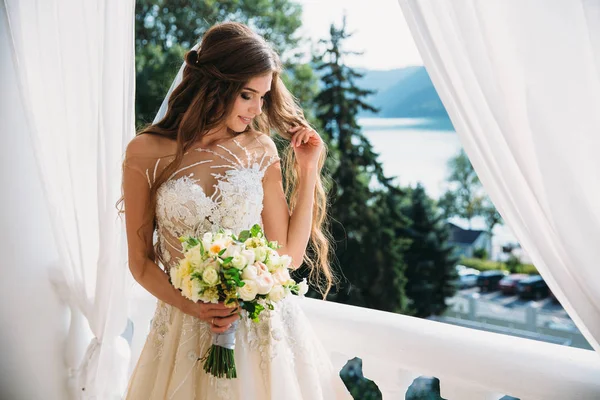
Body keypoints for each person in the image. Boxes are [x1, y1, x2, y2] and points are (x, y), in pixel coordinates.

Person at [121, 21, 351, 399]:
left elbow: (288, 257)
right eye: (247, 95)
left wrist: (308, 170)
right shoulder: (146, 152)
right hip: (184, 328)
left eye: (263, 97)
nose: (257, 108)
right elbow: (141, 261)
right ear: (215, 86)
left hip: (260, 332)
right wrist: (195, 307)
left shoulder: (260, 149)